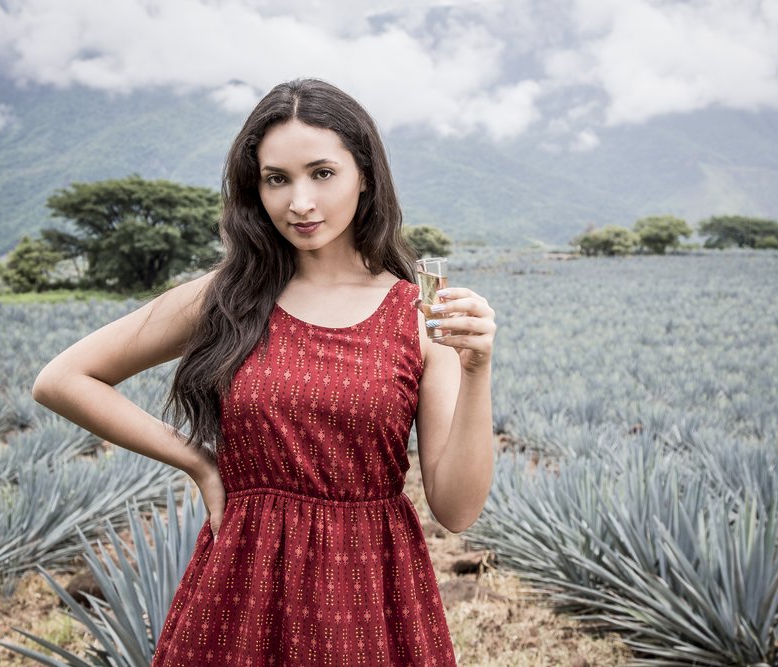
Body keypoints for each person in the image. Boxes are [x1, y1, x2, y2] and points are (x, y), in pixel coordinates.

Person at [32, 78, 496, 666]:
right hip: (239, 590)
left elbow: (455, 511)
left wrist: (476, 369)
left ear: (366, 177)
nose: (299, 201)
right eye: (277, 178)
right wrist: (200, 461)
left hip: (369, 595)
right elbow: (64, 379)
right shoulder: (227, 297)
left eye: (322, 173)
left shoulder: (417, 316)